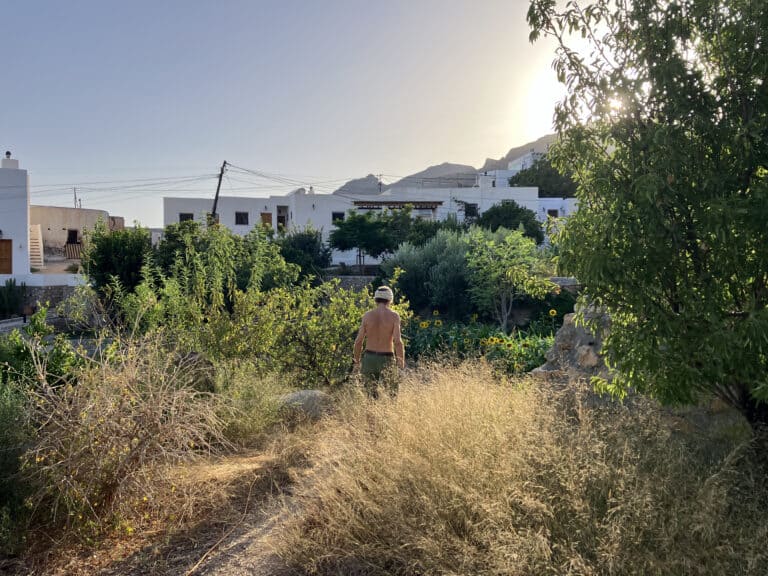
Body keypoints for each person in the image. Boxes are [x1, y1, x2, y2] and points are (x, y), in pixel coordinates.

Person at [353, 286, 405, 397]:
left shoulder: (367, 316)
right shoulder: (394, 316)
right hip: (387, 359)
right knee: (392, 396)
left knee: (370, 397)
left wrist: (357, 362)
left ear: (376, 299)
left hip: (369, 359)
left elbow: (358, 341)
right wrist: (401, 363)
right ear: (390, 299)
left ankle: (371, 414)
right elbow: (397, 342)